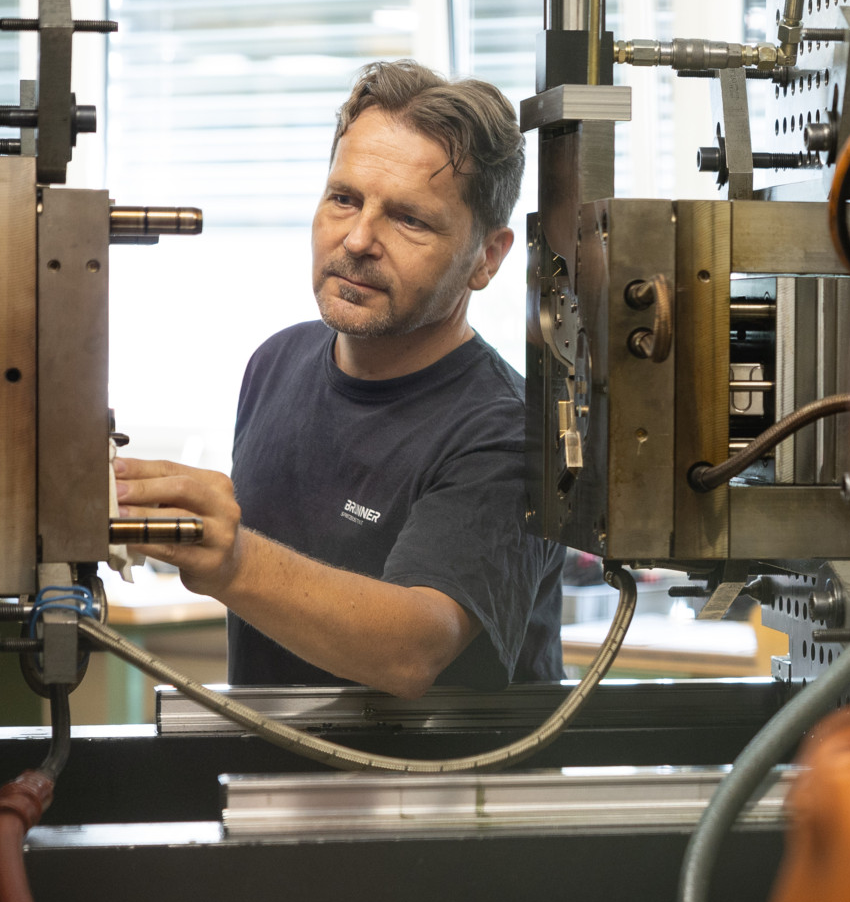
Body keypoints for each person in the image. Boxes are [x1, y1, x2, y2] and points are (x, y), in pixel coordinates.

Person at [114, 60, 565, 698]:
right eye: (344, 198)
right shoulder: (277, 362)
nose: (357, 239)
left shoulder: (511, 430)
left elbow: (415, 649)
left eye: (409, 219)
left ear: (486, 258)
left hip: (445, 793)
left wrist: (232, 559)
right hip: (274, 787)